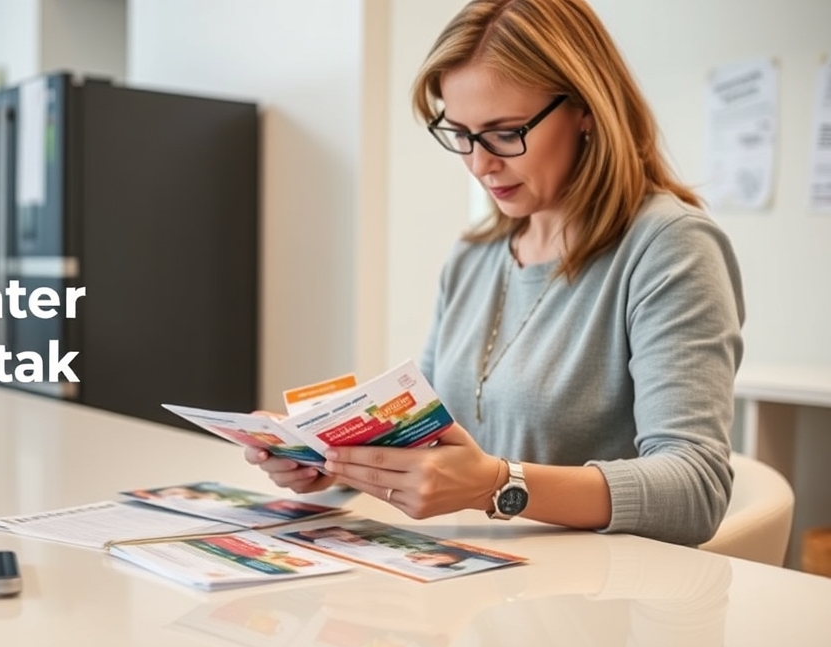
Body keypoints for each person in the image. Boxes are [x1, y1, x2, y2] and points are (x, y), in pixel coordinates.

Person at [245, 0, 744, 546]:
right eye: (460, 133)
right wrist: (336, 460)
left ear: (586, 110)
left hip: (597, 588)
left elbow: (694, 489)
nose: (480, 164)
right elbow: (428, 438)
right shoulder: (474, 256)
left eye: (505, 133)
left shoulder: (670, 246)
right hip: (472, 578)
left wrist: (498, 486)